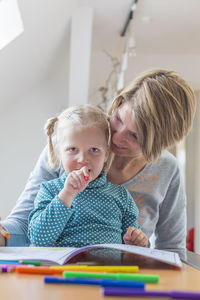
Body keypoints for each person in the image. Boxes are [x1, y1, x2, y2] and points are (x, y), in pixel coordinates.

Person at [0, 69, 196, 260]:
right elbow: (24, 223)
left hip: (122, 279)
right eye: (118, 119)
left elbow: (171, 250)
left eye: (134, 136)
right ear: (118, 103)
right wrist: (3, 235)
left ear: (159, 144)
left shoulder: (167, 169)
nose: (117, 137)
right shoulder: (70, 145)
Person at [28, 105, 147, 247]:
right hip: (64, 268)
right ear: (60, 153)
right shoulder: (50, 190)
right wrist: (66, 195)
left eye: (94, 150)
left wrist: (137, 241)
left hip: (108, 268)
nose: (83, 159)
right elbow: (38, 238)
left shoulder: (121, 196)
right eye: (73, 149)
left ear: (106, 155)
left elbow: (134, 245)